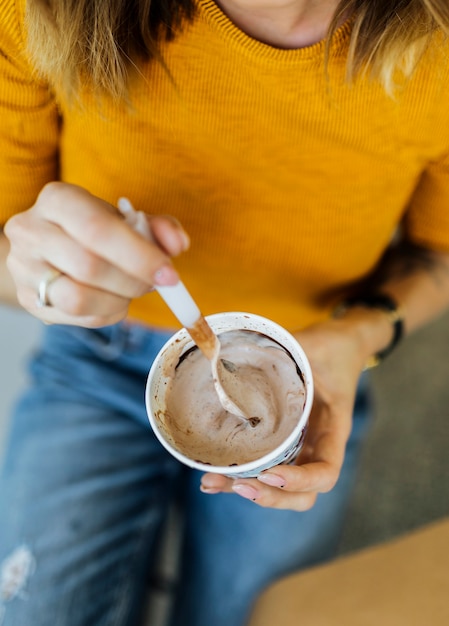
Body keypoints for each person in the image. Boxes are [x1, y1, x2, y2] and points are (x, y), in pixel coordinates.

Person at [1, 0, 449, 624]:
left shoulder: (438, 49)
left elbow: (439, 256)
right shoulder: (41, 13)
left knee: (267, 614)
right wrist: (44, 282)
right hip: (100, 356)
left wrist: (359, 333)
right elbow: (6, 246)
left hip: (315, 369)